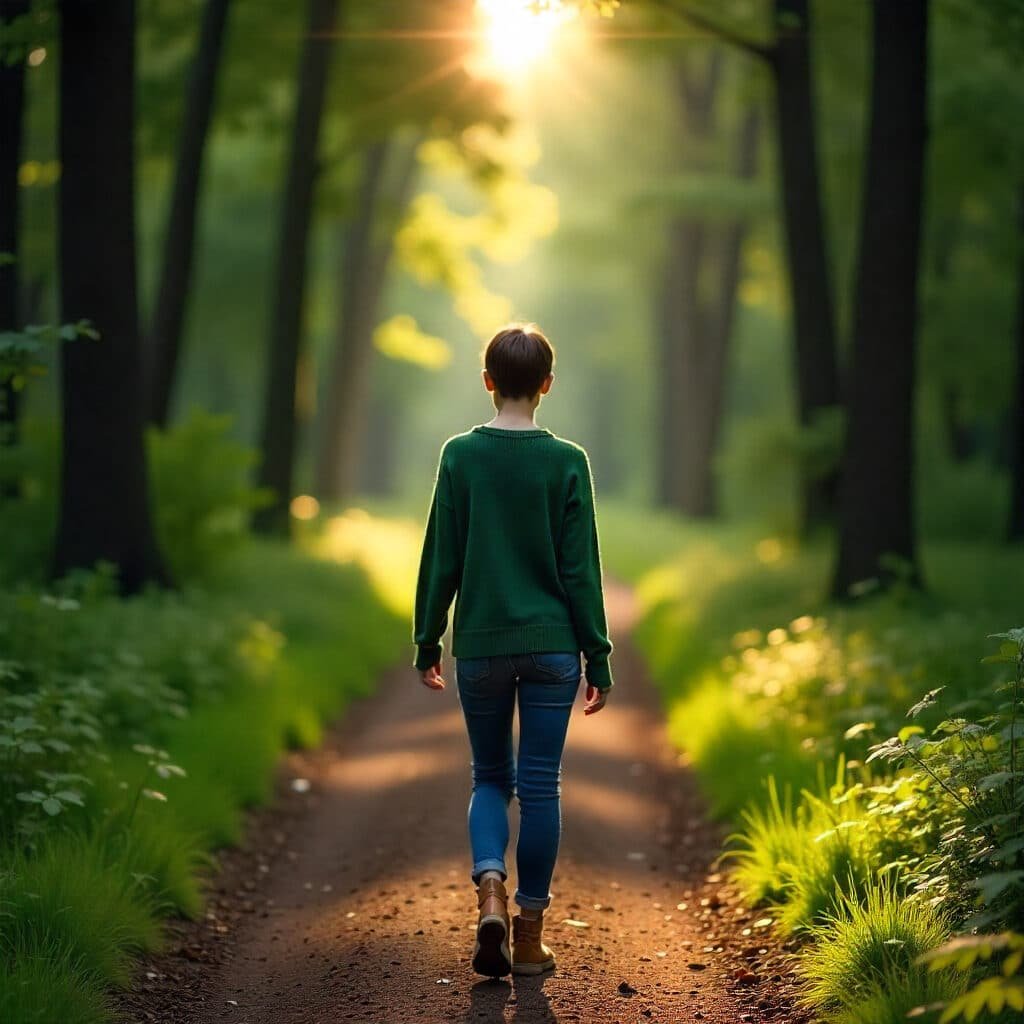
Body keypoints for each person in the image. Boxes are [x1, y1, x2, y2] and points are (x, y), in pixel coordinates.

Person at [412, 323, 614, 979]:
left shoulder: (461, 455)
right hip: (554, 648)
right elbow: (581, 570)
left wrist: (426, 638)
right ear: (547, 386)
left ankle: (490, 887)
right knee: (541, 787)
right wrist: (599, 656)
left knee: (490, 778)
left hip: (482, 647)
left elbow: (441, 552)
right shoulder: (567, 461)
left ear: (488, 381)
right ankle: (528, 938)